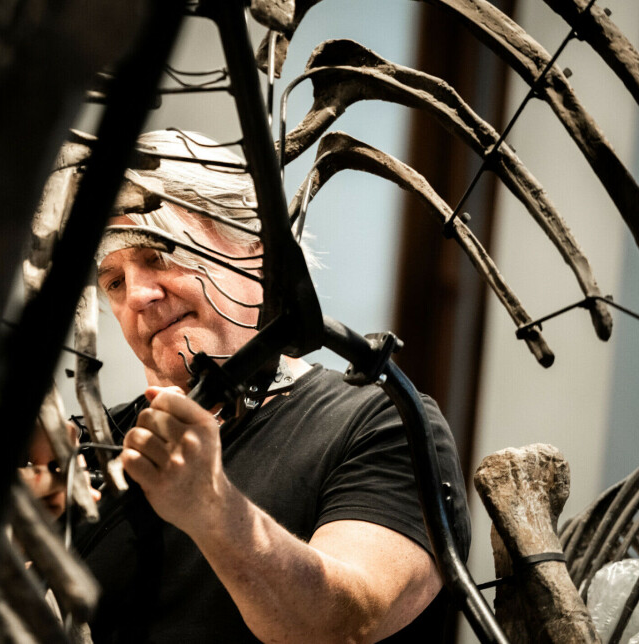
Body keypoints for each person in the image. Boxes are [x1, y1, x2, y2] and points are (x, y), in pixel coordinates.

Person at [73, 130, 470, 643]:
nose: (140, 295)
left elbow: (348, 622)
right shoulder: (89, 446)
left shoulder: (380, 423)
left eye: (157, 253)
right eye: (114, 281)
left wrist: (211, 508)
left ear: (256, 251)